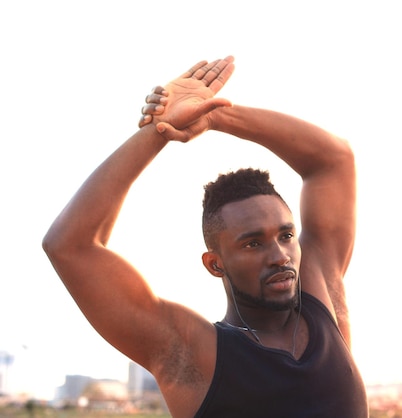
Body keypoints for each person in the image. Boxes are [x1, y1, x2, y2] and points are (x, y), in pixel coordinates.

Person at [42, 56, 368, 418]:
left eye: (286, 235)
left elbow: (334, 160)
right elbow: (68, 246)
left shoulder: (323, 297)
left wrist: (214, 116)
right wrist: (158, 132)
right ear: (215, 263)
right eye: (253, 243)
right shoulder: (191, 351)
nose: (280, 255)